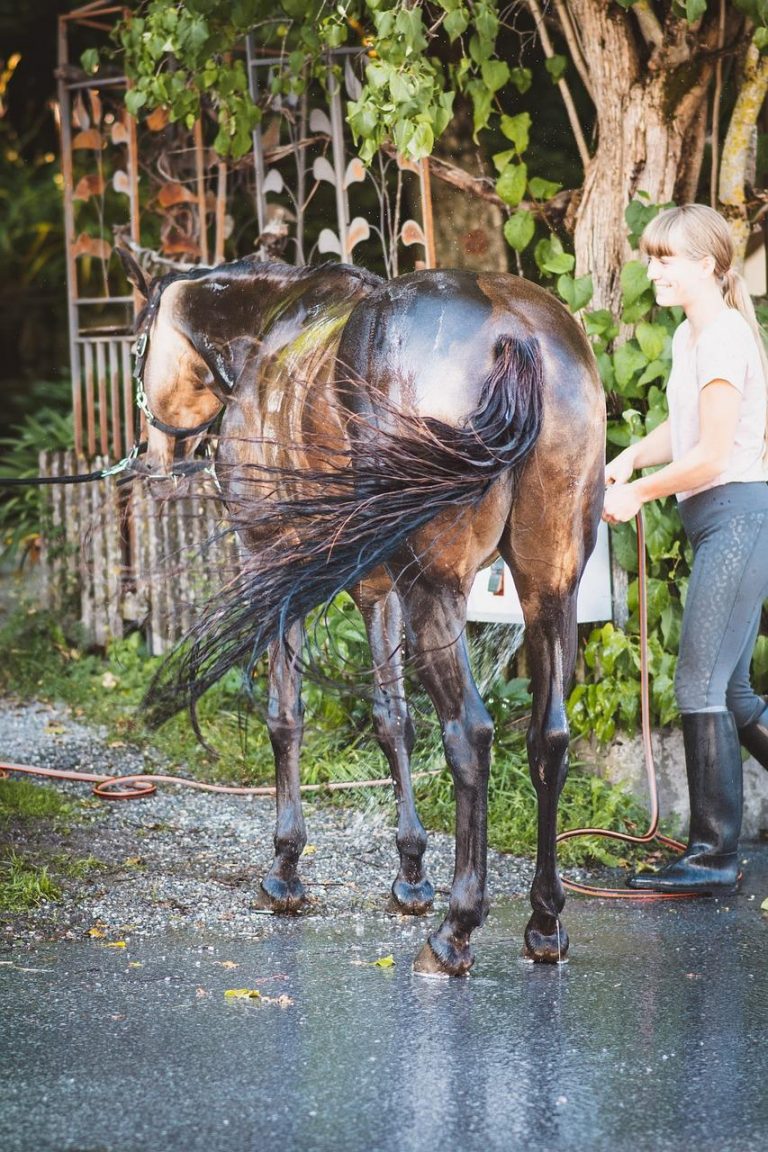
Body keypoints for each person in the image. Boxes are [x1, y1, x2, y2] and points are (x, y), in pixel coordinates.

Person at [602, 203, 768, 893]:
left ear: (707, 264)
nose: (653, 269)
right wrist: (631, 459)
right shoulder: (689, 339)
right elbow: (684, 427)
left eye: (665, 258)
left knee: (698, 685)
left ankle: (714, 856)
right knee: (732, 692)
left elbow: (708, 458)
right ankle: (714, 849)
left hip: (737, 516)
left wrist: (638, 495)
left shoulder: (726, 337)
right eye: (651, 256)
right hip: (717, 519)